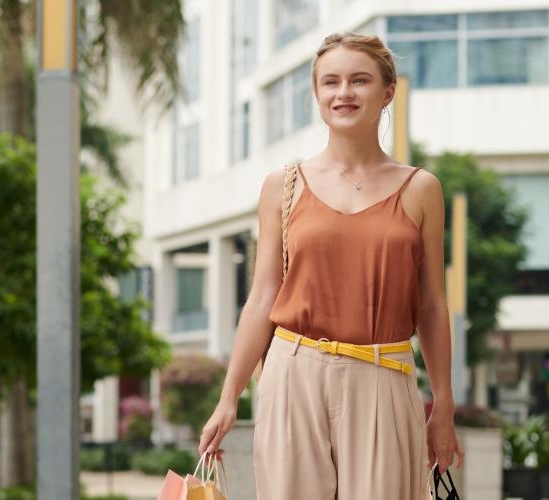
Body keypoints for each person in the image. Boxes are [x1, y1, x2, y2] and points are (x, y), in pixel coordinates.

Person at [197, 32, 464, 499]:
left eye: (359, 81)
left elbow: (432, 305)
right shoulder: (282, 186)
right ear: (317, 96)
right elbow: (262, 298)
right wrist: (228, 398)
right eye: (330, 82)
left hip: (385, 373)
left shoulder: (422, 189)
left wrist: (443, 404)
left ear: (387, 92)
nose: (344, 93)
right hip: (294, 373)